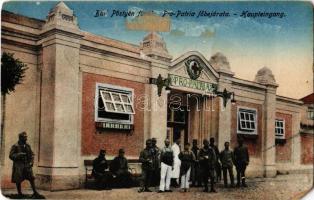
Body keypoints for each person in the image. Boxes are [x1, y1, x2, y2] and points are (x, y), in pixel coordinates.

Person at [9, 132, 43, 198]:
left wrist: (31, 162)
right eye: (25, 137)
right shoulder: (15, 146)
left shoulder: (27, 145)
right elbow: (11, 155)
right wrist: (18, 155)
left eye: (26, 137)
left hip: (27, 165)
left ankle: (35, 192)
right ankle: (19, 193)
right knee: (18, 179)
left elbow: (32, 154)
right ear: (20, 138)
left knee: (31, 178)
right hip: (19, 166)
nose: (26, 138)